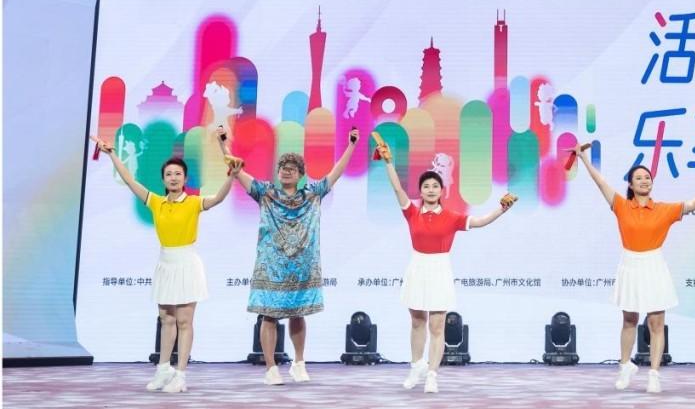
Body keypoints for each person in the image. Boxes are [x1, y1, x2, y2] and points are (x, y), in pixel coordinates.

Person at [93, 135, 238, 393]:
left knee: (184, 321)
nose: (173, 178)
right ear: (163, 179)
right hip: (165, 263)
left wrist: (232, 176)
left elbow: (218, 198)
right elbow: (130, 180)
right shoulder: (155, 202)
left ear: (185, 178)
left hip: (187, 263)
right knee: (166, 318)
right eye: (169, 174)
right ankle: (163, 370)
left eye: (178, 174)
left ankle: (180, 375)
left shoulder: (193, 202)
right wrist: (112, 154)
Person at [574, 145, 695, 393]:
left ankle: (654, 374)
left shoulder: (664, 209)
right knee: (629, 320)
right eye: (639, 178)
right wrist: (584, 158)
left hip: (654, 265)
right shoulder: (621, 205)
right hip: (630, 264)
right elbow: (600, 182)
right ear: (631, 185)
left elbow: (691, 204)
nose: (644, 181)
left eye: (647, 177)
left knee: (656, 323)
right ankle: (625, 366)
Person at [221, 125, 359, 385]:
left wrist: (351, 145)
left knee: (298, 313)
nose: (286, 171)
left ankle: (299, 363)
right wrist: (222, 143)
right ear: (278, 172)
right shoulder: (266, 193)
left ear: (300, 175)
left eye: (292, 168)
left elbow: (336, 172)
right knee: (269, 315)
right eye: (283, 167)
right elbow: (237, 170)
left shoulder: (312, 194)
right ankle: (271, 368)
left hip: (302, 268)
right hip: (271, 267)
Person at [375, 140, 516, 394]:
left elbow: (480, 221)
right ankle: (416, 366)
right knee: (417, 322)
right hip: (417, 267)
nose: (430, 190)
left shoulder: (452, 217)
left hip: (439, 268)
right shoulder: (411, 212)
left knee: (437, 326)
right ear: (421, 192)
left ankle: (432, 374)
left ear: (442, 190)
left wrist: (501, 210)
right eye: (426, 186)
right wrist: (388, 162)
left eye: (435, 186)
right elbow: (397, 188)